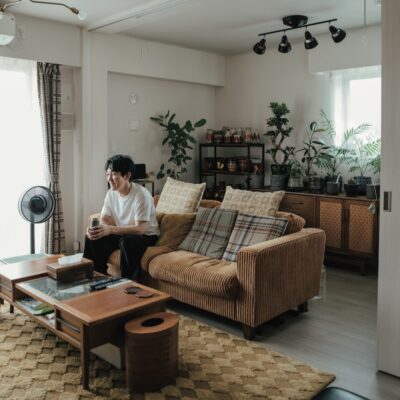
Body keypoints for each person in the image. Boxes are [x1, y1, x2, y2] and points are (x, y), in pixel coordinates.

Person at [83, 154, 159, 280]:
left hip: (146, 236)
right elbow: (104, 219)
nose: (109, 178)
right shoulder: (111, 194)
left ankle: (128, 283)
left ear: (127, 176)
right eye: (107, 174)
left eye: (114, 174)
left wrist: (111, 229)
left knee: (127, 242)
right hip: (123, 233)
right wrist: (97, 230)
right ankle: (95, 277)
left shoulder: (141, 195)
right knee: (93, 237)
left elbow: (141, 229)